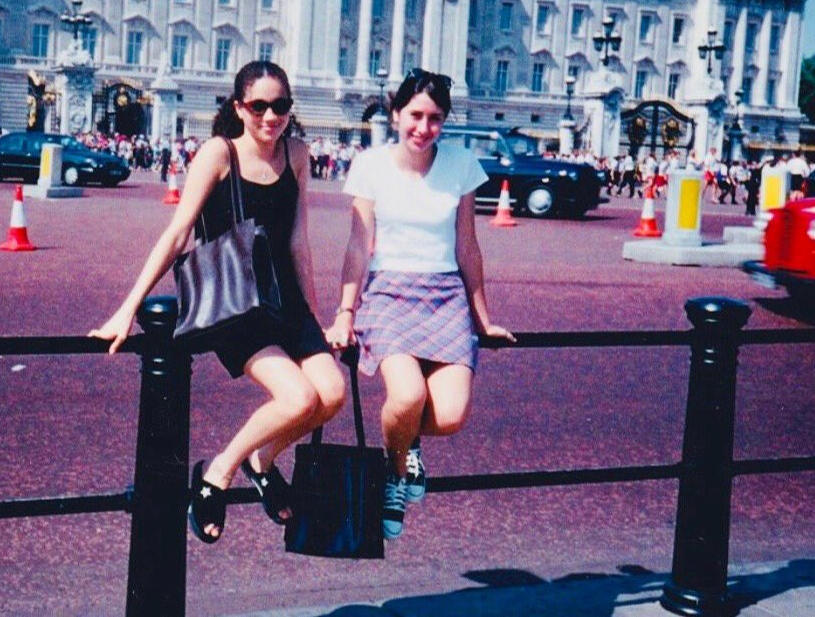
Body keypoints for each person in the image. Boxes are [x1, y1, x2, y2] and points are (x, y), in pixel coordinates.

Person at [90, 61, 345, 544]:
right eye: (259, 106)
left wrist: (315, 315)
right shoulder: (218, 152)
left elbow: (298, 242)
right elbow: (179, 233)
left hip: (285, 299)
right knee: (299, 398)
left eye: (281, 106)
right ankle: (217, 476)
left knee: (330, 395)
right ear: (239, 107)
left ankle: (262, 461)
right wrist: (128, 307)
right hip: (237, 303)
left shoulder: (296, 153)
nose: (271, 117)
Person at [325, 68, 516, 540]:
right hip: (388, 293)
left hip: (445, 295)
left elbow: (468, 246)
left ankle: (406, 441)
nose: (423, 128)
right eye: (415, 115)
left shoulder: (462, 164)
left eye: (434, 118)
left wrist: (483, 320)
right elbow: (357, 246)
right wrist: (345, 312)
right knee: (407, 395)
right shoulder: (370, 165)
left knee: (450, 416)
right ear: (395, 114)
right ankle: (395, 473)